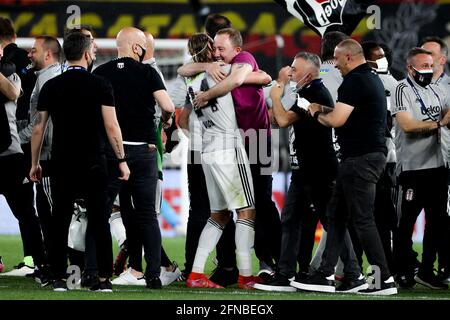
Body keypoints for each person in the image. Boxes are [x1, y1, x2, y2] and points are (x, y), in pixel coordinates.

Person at [294, 39, 397, 295]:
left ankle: (383, 279)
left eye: (337, 60)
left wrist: (314, 112)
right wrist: (324, 108)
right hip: (364, 157)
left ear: (349, 57)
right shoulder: (370, 78)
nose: (335, 66)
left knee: (363, 220)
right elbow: (348, 113)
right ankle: (326, 274)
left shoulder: (354, 81)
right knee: (336, 216)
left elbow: (338, 120)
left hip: (360, 159)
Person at [255, 52, 362, 293]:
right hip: (306, 168)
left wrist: (275, 94)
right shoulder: (308, 92)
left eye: (294, 69)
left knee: (329, 222)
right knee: (292, 219)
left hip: (319, 169)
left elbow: (282, 120)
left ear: (308, 74)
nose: (290, 72)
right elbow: (283, 118)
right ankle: (285, 274)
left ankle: (354, 274)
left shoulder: (313, 92)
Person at [30, 32, 130, 292]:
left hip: (61, 162)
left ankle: (59, 278)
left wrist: (34, 163)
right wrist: (121, 159)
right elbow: (112, 125)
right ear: (87, 54)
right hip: (93, 162)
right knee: (99, 220)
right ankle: (103, 279)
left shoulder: (52, 86)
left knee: (59, 219)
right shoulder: (101, 85)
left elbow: (38, 128)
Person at [181, 27, 280, 281]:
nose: (217, 53)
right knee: (247, 211)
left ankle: (195, 273)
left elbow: (183, 69)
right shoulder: (225, 71)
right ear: (209, 53)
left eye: (220, 48)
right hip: (230, 148)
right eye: (214, 49)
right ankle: (246, 274)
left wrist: (201, 68)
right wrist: (263, 76)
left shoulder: (190, 78)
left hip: (207, 149)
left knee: (219, 214)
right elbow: (254, 78)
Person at [93, 27, 175, 289]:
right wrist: (165, 121)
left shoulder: (100, 73)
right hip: (144, 151)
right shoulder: (148, 72)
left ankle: (95, 273)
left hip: (112, 154)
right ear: (138, 49)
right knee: (147, 216)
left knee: (101, 213)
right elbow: (168, 106)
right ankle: (153, 276)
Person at [391, 47, 450, 290]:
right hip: (413, 168)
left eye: (430, 66)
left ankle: (427, 270)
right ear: (410, 68)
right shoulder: (401, 89)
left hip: (438, 166)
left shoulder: (437, 90)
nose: (427, 71)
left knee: (437, 222)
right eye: (422, 67)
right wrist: (439, 123)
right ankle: (402, 270)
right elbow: (406, 125)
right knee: (406, 222)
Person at [18, 36, 62, 283]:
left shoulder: (46, 80)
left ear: (48, 55)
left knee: (52, 213)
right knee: (52, 210)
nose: (29, 54)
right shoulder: (56, 75)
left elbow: (39, 125)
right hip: (63, 153)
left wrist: (17, 138)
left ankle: (55, 269)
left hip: (48, 155)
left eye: (33, 50)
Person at [0, 16, 42, 276]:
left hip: (10, 154)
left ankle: (37, 262)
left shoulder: (9, 71)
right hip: (12, 151)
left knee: (26, 211)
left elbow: (14, 93)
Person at [420, 36, 450, 285]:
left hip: (445, 161)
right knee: (429, 217)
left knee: (442, 217)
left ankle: (443, 267)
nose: (425, 58)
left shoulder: (449, 87)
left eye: (430, 53)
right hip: (418, 162)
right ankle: (423, 268)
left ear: (442, 59)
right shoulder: (409, 87)